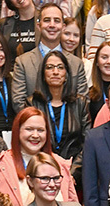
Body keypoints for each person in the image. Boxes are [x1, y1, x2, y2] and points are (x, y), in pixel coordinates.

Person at [0, 106, 78, 206]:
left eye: (40, 130)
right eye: (29, 129)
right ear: (17, 131)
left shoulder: (60, 165)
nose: (35, 135)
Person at [11, 3, 88, 111]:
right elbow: (18, 103)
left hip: (68, 126)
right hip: (35, 126)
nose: (52, 25)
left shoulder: (76, 63)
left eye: (57, 20)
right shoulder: (23, 62)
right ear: (38, 26)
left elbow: (83, 102)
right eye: (47, 20)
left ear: (63, 27)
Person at [28, 49, 90, 178]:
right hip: (41, 174)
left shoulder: (80, 103)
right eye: (50, 67)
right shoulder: (32, 103)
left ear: (66, 74)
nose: (55, 72)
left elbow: (87, 143)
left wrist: (71, 172)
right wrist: (47, 171)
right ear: (43, 74)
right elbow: (29, 142)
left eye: (60, 67)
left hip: (75, 175)